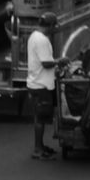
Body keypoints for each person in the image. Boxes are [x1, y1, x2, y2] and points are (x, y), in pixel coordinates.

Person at [26, 12, 68, 160]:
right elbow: (46, 63)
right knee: (41, 119)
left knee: (40, 118)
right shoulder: (42, 40)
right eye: (53, 26)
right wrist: (59, 61)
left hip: (37, 82)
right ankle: (38, 150)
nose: (54, 29)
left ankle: (41, 146)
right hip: (40, 85)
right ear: (49, 26)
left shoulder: (34, 36)